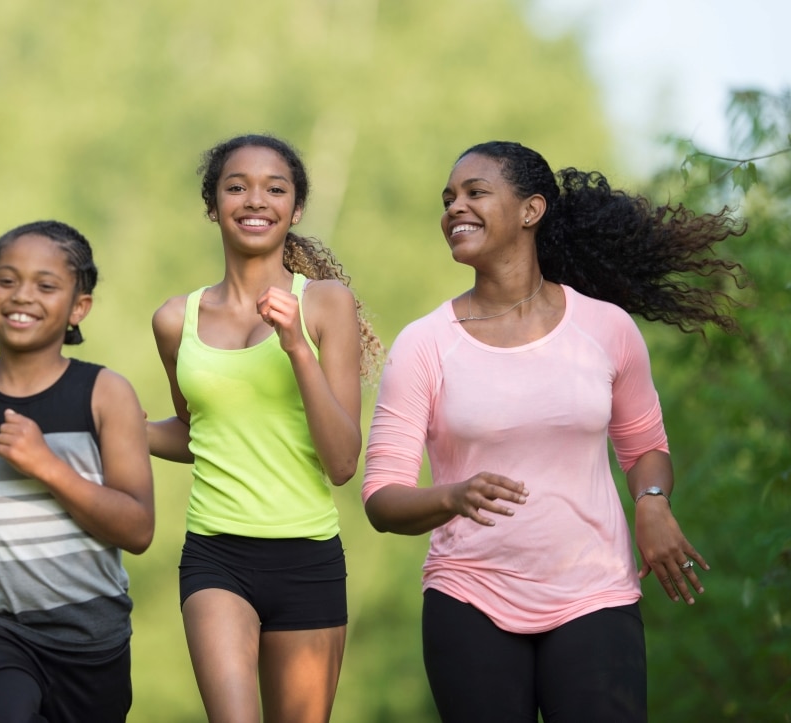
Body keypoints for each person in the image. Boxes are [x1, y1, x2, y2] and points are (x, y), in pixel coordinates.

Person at [362, 140, 746, 721]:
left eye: (474, 193)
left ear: (531, 210)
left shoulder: (606, 328)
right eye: (448, 199)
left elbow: (647, 451)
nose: (454, 208)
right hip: (469, 595)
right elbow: (381, 499)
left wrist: (651, 501)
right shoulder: (425, 344)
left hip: (595, 595)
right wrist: (452, 496)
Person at [148, 134, 383, 723]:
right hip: (215, 555)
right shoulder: (177, 320)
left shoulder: (328, 304)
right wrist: (114, 428)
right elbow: (192, 432)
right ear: (212, 206)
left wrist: (296, 347)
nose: (256, 200)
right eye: (237, 187)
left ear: (295, 208)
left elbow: (342, 462)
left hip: (307, 558)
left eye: (275, 188)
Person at [0, 220, 155, 723]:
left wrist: (49, 468)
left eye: (46, 286)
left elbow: (137, 530)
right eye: (6, 279)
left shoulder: (107, 394)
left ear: (77, 307)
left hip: (92, 638)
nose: (22, 296)